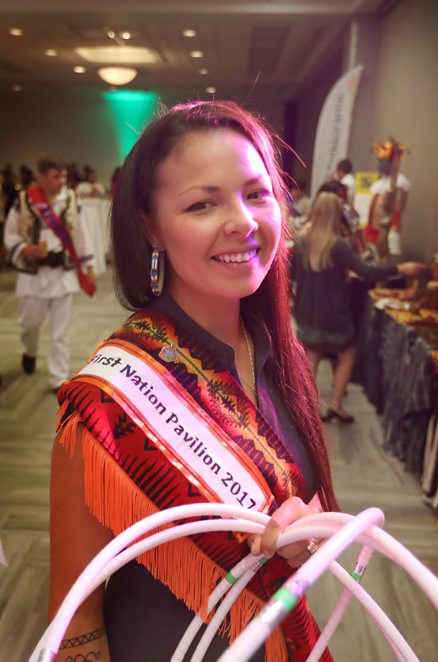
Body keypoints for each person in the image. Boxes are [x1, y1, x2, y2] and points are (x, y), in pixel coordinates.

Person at [49, 101, 338, 662]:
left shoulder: (274, 345)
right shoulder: (106, 401)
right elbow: (74, 619)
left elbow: (298, 488)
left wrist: (311, 524)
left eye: (256, 194)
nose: (243, 221)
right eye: (202, 204)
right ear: (149, 225)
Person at [291, 191, 423, 424]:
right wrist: (400, 269)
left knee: (313, 354)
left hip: (307, 312)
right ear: (336, 216)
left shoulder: (302, 242)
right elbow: (367, 271)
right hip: (334, 314)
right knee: (348, 352)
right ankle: (336, 404)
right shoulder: (338, 246)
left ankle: (306, 409)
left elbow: (291, 278)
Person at [3, 156, 96, 391]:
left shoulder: (71, 199)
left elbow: (81, 234)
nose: (61, 181)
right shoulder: (24, 201)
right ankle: (29, 350)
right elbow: (11, 235)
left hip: (62, 273)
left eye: (63, 176)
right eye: (56, 176)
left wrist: (89, 266)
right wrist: (26, 248)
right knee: (29, 325)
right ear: (42, 177)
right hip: (33, 275)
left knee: (60, 332)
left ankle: (58, 378)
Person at [365, 139, 411, 261]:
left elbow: (397, 208)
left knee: (387, 262)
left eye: (382, 161)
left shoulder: (400, 182)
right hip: (373, 230)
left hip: (387, 231)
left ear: (391, 163)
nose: (378, 164)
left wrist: (393, 228)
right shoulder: (379, 183)